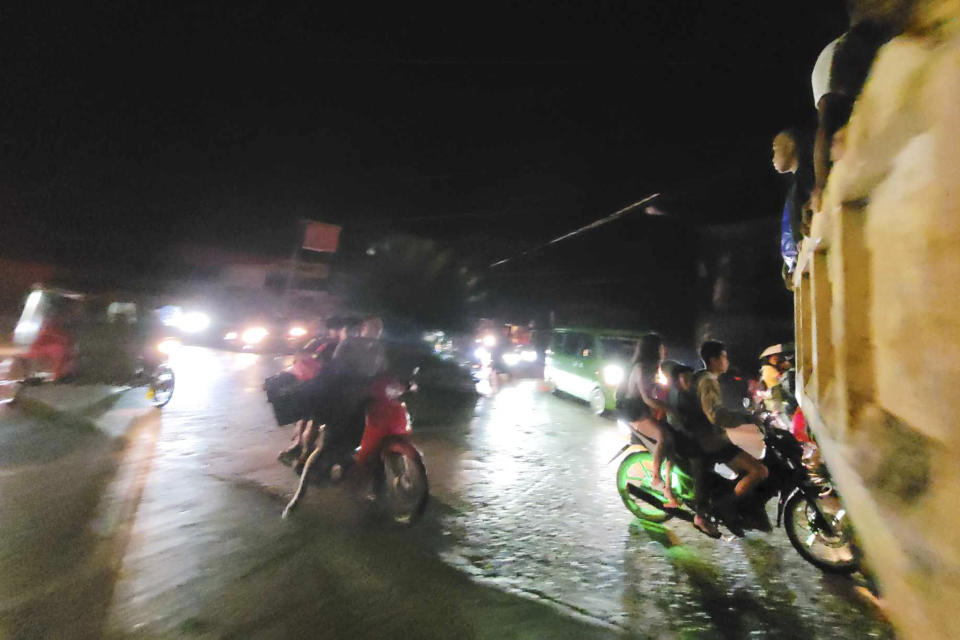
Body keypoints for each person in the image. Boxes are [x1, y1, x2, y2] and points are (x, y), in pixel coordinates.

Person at [295, 316, 386, 475]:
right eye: (373, 327)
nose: (376, 332)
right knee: (328, 429)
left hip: (359, 395)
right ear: (363, 328)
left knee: (357, 430)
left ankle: (342, 460)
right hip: (338, 394)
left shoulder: (377, 347)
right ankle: (308, 460)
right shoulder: (341, 344)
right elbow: (333, 367)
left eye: (379, 329)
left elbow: (382, 368)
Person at [696, 340, 770, 524]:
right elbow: (715, 415)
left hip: (711, 435)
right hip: (710, 440)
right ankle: (727, 507)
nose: (726, 360)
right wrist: (745, 418)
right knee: (759, 470)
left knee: (742, 462)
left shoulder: (708, 379)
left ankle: (738, 503)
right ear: (713, 360)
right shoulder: (708, 381)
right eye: (724, 356)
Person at [663, 363, 722, 538]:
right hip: (685, 442)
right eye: (684, 378)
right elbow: (689, 424)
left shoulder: (689, 393)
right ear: (676, 380)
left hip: (692, 437)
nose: (689, 380)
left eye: (690, 377)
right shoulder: (679, 396)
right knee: (701, 470)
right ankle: (700, 516)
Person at [621, 333, 679, 508]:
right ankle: (655, 478)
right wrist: (672, 410)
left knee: (674, 443)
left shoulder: (654, 367)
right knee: (664, 437)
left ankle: (668, 489)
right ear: (653, 349)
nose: (664, 350)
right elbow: (647, 398)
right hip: (634, 411)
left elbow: (659, 389)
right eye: (661, 347)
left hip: (645, 410)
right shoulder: (641, 368)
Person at [771, 128, 814, 285]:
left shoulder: (807, 176)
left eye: (775, 150)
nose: (773, 158)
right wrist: (789, 266)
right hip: (800, 265)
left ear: (790, 146)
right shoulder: (795, 186)